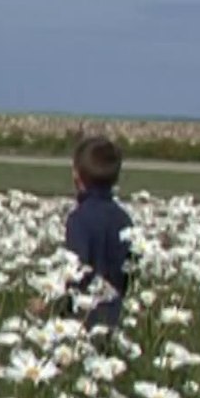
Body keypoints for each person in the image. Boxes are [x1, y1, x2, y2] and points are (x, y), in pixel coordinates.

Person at [32, 136, 133, 331]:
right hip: (117, 316)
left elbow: (76, 270)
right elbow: (130, 271)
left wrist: (48, 301)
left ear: (76, 175)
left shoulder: (79, 219)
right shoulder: (124, 219)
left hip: (81, 318)